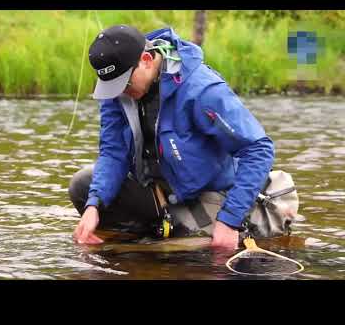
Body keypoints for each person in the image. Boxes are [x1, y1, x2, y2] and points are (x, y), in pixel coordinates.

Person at [69, 25, 275, 250]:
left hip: (207, 193)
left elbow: (258, 149)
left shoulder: (201, 89)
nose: (119, 93)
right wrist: (94, 206)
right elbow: (113, 151)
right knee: (83, 186)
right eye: (111, 87)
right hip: (157, 191)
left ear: (147, 59)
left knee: (193, 254)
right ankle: (145, 239)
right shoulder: (117, 89)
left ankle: (184, 231)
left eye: (124, 84)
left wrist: (230, 220)